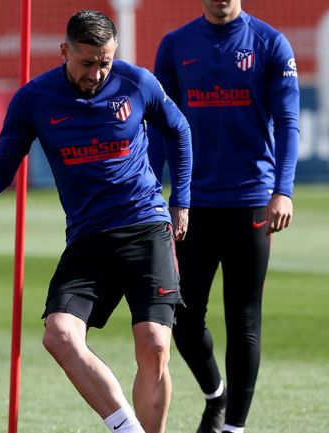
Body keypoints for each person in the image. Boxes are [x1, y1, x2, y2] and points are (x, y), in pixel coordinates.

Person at [0, 10, 192, 433]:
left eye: (105, 62)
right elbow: (2, 168)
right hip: (89, 238)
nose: (97, 73)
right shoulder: (34, 99)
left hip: (146, 225)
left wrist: (181, 200)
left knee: (155, 343)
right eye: (87, 63)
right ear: (64, 51)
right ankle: (128, 430)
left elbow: (179, 130)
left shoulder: (137, 82)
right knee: (60, 335)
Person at [148, 1, 300, 432]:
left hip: (250, 201)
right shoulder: (175, 45)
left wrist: (282, 190)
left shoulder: (271, 43)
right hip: (190, 206)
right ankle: (216, 394)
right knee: (181, 315)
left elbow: (288, 121)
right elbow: (160, 125)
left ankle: (234, 427)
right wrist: (153, 191)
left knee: (244, 318)